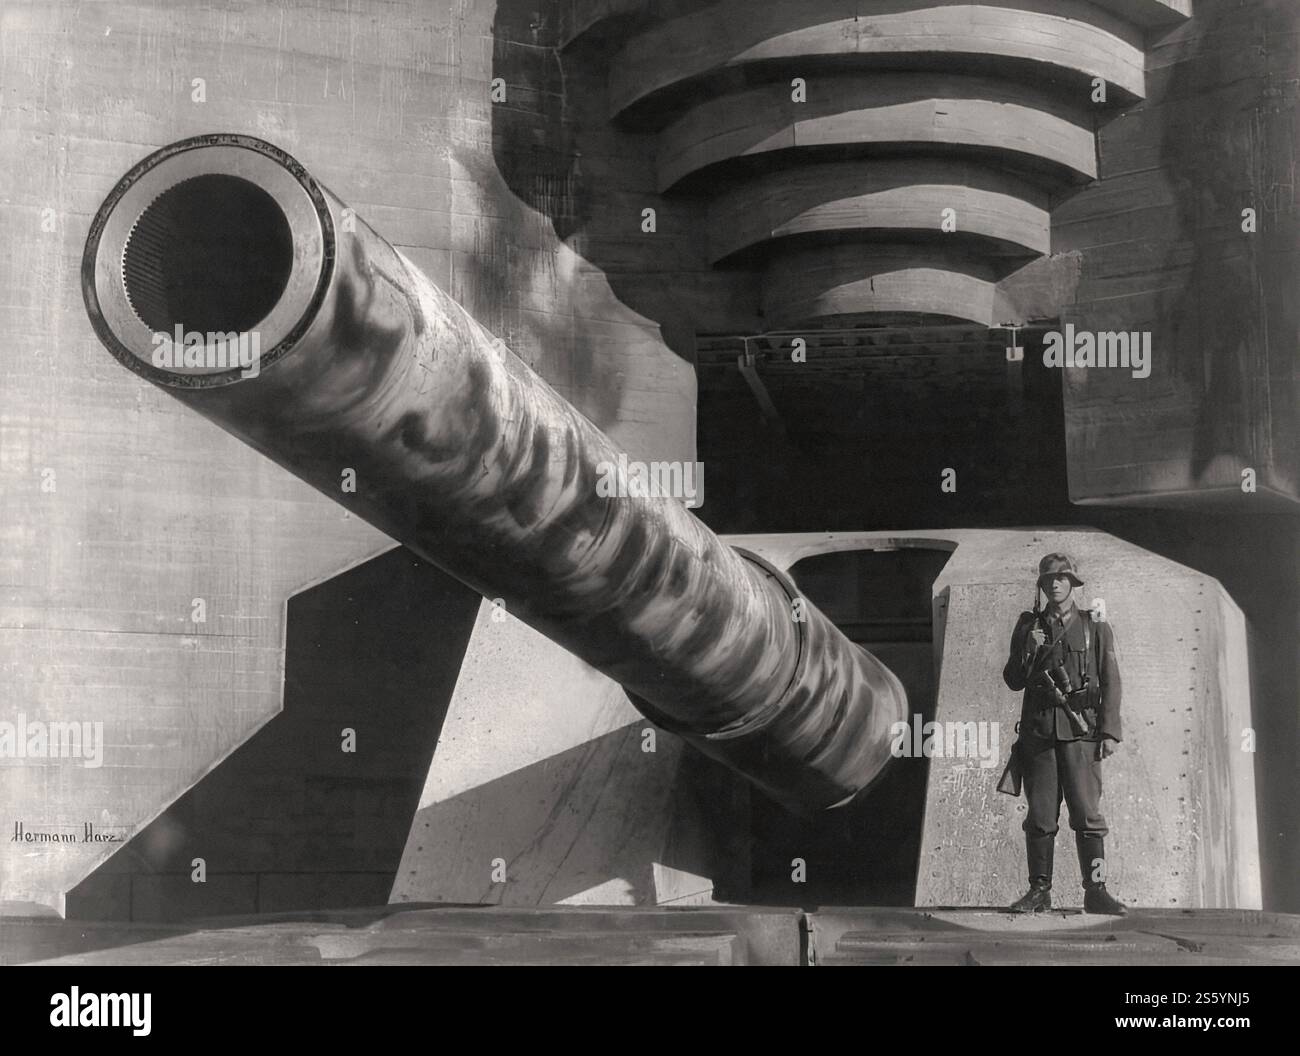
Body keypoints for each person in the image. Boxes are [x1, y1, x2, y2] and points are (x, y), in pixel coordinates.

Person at [1001, 553, 1127, 915]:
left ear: (1072, 583)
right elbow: (1012, 680)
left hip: (1081, 733)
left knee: (1088, 816)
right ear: (1042, 586)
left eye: (1061, 578)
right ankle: (1039, 891)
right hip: (1039, 734)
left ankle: (1097, 890)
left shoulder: (1094, 625)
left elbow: (1111, 680)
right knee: (1040, 818)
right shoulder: (1028, 625)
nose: (1055, 584)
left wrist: (1109, 732)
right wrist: (1031, 646)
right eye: (1048, 580)